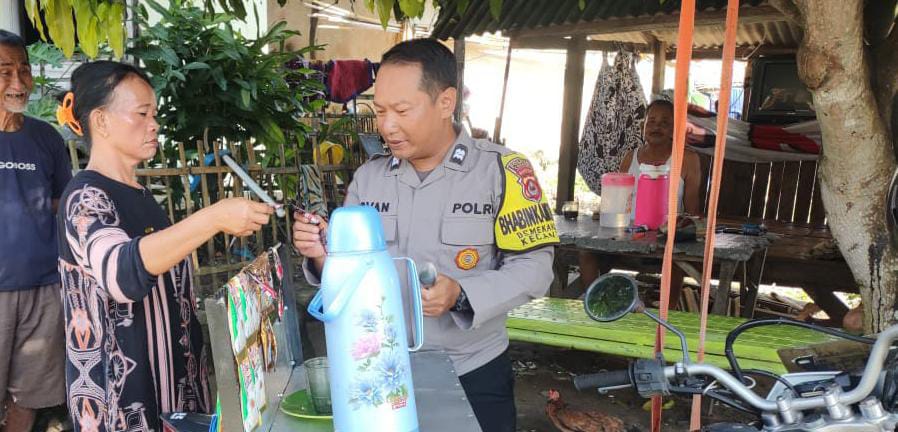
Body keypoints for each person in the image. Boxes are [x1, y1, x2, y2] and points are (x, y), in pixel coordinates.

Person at [293, 39, 558, 432]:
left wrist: (462, 294)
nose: (387, 126)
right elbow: (349, 278)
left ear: (446, 102)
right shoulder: (369, 179)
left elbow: (536, 268)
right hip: (381, 372)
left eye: (401, 111)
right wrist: (319, 254)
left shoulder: (502, 171)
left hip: (472, 371)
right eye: (380, 111)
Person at [55, 61, 273, 432]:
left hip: (173, 393)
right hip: (121, 406)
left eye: (154, 114)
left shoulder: (140, 195)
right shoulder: (85, 197)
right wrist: (213, 218)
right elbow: (121, 275)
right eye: (142, 114)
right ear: (101, 121)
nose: (154, 124)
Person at [0, 30, 71, 432]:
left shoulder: (46, 138)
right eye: (4, 71)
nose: (18, 82)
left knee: (29, 395)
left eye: (24, 70)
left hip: (44, 289)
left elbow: (63, 204)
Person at [579, 99, 702, 309]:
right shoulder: (631, 158)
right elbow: (617, 199)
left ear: (674, 129)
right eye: (651, 121)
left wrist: (680, 230)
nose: (656, 127)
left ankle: (667, 312)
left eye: (665, 123)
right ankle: (599, 304)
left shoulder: (687, 159)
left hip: (665, 238)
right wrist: (605, 211)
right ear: (643, 126)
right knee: (586, 250)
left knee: (676, 257)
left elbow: (692, 212)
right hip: (628, 235)